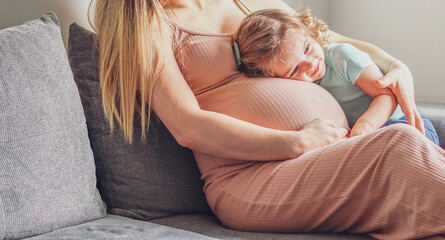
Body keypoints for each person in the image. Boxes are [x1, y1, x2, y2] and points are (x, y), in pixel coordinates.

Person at [90, 0, 445, 239]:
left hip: (319, 154)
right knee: (397, 147)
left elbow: (329, 40)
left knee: (405, 146)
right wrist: (294, 142)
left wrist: (398, 67)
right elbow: (187, 125)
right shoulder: (144, 23)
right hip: (247, 177)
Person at [232, 9, 440, 145]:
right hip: (368, 138)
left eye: (307, 48)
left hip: (404, 123)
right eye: (295, 70)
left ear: (308, 32)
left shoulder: (341, 57)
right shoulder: (296, 89)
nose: (311, 64)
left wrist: (366, 125)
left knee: (401, 148)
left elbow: (387, 96)